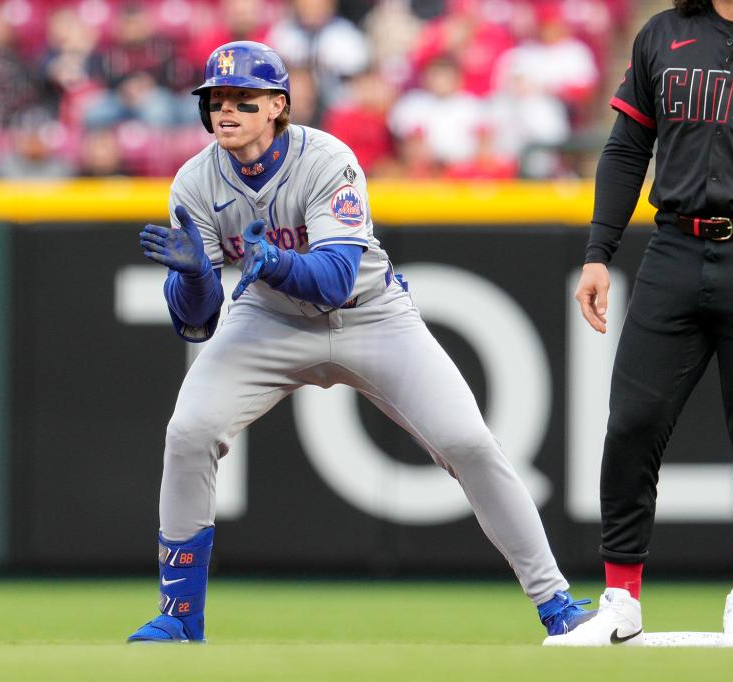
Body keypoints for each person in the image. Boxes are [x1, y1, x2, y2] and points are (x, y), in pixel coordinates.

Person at [127, 40, 594, 643]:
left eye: (243, 98)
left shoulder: (326, 158)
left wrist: (268, 260)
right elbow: (196, 323)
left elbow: (335, 281)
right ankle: (180, 617)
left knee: (468, 442)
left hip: (370, 315)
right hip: (266, 320)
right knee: (188, 432)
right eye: (216, 98)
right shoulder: (194, 181)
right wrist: (192, 279)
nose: (226, 109)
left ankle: (556, 604)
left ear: (277, 106)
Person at [546, 0, 733, 648]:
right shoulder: (664, 33)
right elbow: (627, 147)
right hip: (673, 247)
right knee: (631, 423)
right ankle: (620, 596)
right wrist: (599, 253)